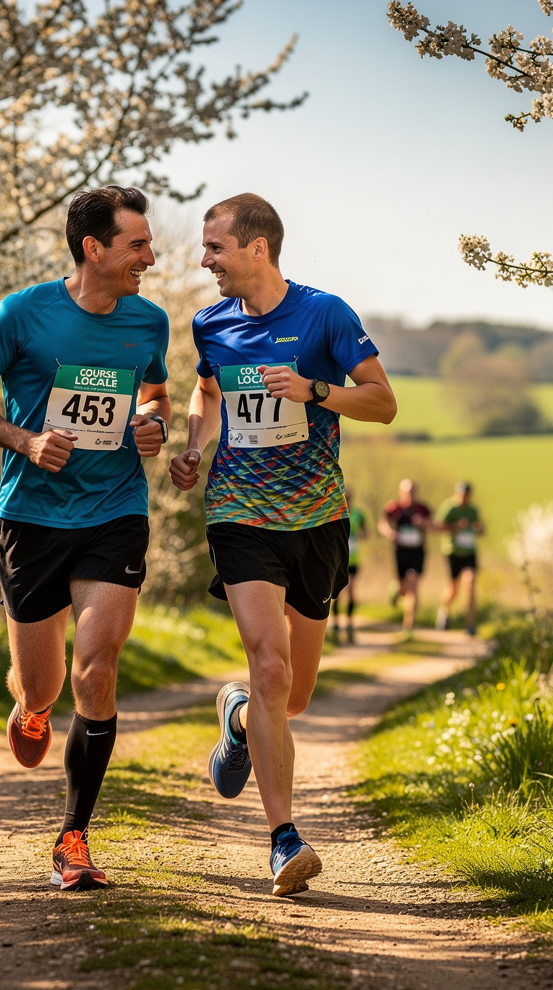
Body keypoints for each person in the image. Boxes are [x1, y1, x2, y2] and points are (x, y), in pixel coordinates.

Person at [169, 193, 396, 897]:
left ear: (257, 247)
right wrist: (195, 445)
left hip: (318, 519)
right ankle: (282, 839)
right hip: (239, 513)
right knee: (268, 667)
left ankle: (238, 720)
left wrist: (314, 388)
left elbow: (383, 402)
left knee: (291, 696)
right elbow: (206, 393)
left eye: (216, 248)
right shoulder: (211, 324)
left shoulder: (326, 314)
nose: (206, 262)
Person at [0, 185, 170, 891]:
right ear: (92, 248)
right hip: (32, 518)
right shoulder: (22, 315)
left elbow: (158, 396)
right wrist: (25, 439)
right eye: (137, 244)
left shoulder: (150, 322)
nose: (151, 256)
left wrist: (153, 424)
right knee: (43, 685)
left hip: (114, 510)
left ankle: (73, 837)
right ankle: (30, 706)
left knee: (96, 670)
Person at [378, 479, 433, 638]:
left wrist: (423, 523)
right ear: (401, 493)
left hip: (417, 552)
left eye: (412, 492)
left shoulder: (422, 509)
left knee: (413, 584)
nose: (410, 495)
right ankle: (397, 588)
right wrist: (390, 533)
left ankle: (408, 626)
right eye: (407, 492)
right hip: (401, 553)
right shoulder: (394, 508)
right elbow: (382, 524)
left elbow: (433, 525)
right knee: (404, 589)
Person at [436, 481, 484, 635]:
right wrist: (456, 527)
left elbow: (481, 530)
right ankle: (444, 611)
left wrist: (479, 529)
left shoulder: (473, 510)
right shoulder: (449, 508)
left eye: (467, 496)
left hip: (469, 552)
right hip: (453, 552)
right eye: (462, 495)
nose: (465, 498)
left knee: (470, 583)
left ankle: (470, 623)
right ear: (457, 494)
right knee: (453, 588)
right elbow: (439, 526)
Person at [332, 489, 368, 644]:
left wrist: (359, 535)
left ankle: (350, 624)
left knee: (351, 590)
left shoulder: (358, 515)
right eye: (345, 497)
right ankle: (335, 624)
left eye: (349, 498)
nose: (347, 500)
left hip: (353, 559)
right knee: (337, 593)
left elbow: (366, 533)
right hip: (337, 559)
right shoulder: (335, 513)